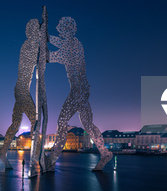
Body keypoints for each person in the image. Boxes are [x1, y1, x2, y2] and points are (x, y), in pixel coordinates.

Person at [45, 17, 113, 171]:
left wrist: (43, 55)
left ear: (67, 29)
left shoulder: (72, 45)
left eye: (60, 27)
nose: (57, 28)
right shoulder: (75, 43)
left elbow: (56, 56)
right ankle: (105, 153)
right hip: (83, 90)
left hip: (77, 91)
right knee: (88, 125)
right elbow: (59, 44)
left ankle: (52, 159)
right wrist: (46, 37)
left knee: (62, 123)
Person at [0, 19, 41, 169]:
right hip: (22, 90)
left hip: (20, 89)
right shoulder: (30, 46)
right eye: (36, 31)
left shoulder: (29, 45)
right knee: (35, 122)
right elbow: (40, 59)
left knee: (16, 124)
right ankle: (38, 155)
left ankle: (3, 151)